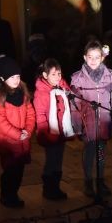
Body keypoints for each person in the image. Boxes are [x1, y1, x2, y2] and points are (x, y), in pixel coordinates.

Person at [70, 41, 112, 197]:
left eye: (97, 57)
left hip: (104, 122)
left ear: (102, 58)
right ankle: (88, 181)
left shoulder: (110, 76)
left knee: (101, 153)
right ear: (84, 57)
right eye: (90, 57)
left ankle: (100, 180)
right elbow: (74, 104)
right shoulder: (78, 79)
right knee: (89, 152)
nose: (93, 60)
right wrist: (77, 124)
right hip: (88, 123)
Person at [0, 56, 35, 208]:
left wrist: (28, 131)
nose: (16, 80)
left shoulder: (23, 92)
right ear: (3, 78)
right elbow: (0, 122)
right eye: (12, 77)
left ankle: (14, 195)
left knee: (19, 171)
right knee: (10, 172)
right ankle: (6, 196)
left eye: (17, 76)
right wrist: (17, 134)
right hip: (8, 143)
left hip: (22, 141)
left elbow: (31, 113)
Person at [34, 58, 76, 201]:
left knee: (58, 160)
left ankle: (56, 188)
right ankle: (48, 189)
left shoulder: (61, 87)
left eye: (59, 74)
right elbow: (40, 115)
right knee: (51, 160)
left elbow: (70, 97)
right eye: (54, 74)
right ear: (45, 75)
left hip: (61, 130)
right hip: (50, 132)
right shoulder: (41, 93)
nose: (58, 77)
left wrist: (64, 87)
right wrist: (45, 132)